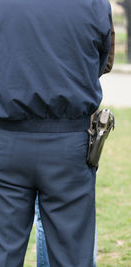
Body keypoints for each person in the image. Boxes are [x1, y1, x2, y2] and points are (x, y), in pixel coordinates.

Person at [0, 0, 112, 266]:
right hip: (68, 141)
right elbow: (101, 59)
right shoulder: (93, 3)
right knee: (72, 254)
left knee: (1, 255)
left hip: (7, 141)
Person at [34, 18, 116, 266]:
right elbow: (106, 59)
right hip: (75, 120)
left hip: (63, 121)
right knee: (77, 213)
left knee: (56, 214)